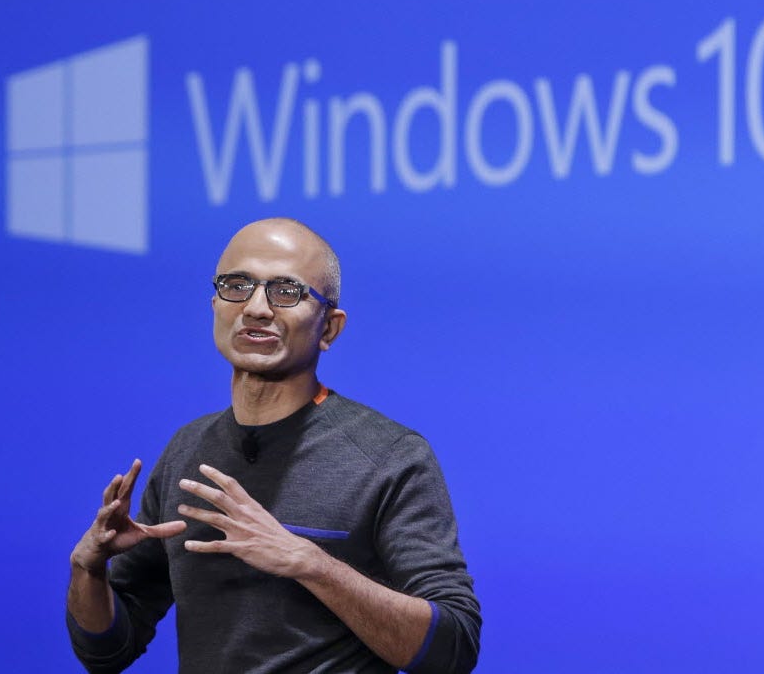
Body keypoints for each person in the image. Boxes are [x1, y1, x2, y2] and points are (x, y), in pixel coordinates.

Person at [66, 218, 481, 673]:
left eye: (287, 291)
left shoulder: (389, 456)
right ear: (215, 306)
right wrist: (88, 569)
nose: (257, 308)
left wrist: (309, 563)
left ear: (329, 328)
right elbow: (106, 651)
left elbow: (452, 648)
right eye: (238, 285)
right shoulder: (188, 450)